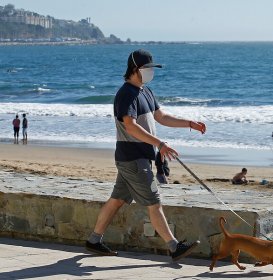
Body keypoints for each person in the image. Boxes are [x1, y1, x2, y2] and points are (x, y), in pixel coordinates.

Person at [85, 49, 207, 262]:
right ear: (135, 69)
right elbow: (130, 127)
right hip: (133, 159)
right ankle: (174, 246)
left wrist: (189, 123)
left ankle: (94, 240)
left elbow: (162, 117)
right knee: (154, 202)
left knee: (116, 200)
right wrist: (160, 144)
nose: (151, 72)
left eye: (152, 68)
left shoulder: (145, 91)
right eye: (147, 68)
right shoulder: (126, 94)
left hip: (133, 159)